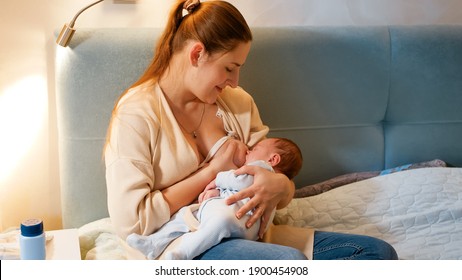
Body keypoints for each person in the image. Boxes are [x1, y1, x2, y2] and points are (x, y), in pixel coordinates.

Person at [104, 0, 398, 260]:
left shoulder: (238, 103)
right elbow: (133, 223)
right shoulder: (137, 115)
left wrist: (283, 187)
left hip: (247, 234)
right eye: (229, 68)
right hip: (181, 245)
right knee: (288, 265)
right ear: (197, 55)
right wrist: (210, 172)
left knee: (377, 253)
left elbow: (274, 175)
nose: (234, 81)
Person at [126, 137, 303, 260]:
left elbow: (240, 180)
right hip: (248, 229)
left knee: (191, 222)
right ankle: (154, 243)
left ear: (273, 159)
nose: (248, 150)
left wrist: (217, 177)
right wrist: (218, 192)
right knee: (185, 218)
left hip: (230, 218)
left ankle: (178, 252)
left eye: (255, 149)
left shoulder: (261, 169)